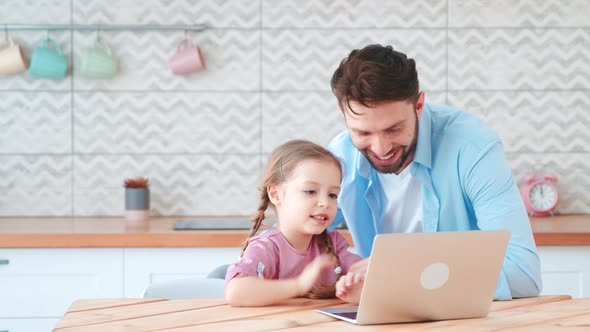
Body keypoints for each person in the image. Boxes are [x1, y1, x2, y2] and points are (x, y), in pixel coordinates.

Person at [327, 44, 542, 303]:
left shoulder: (472, 148)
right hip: (378, 314)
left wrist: (397, 269)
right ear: (343, 114)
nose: (381, 148)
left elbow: (524, 275)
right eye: (362, 133)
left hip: (462, 316)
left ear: (418, 105)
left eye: (394, 129)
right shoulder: (340, 156)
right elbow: (294, 239)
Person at [225, 140, 362, 306]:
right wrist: (299, 285)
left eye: (332, 195)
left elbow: (367, 278)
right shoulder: (266, 248)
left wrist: (358, 290)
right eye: (310, 191)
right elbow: (236, 292)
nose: (325, 203)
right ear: (275, 194)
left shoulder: (334, 244)